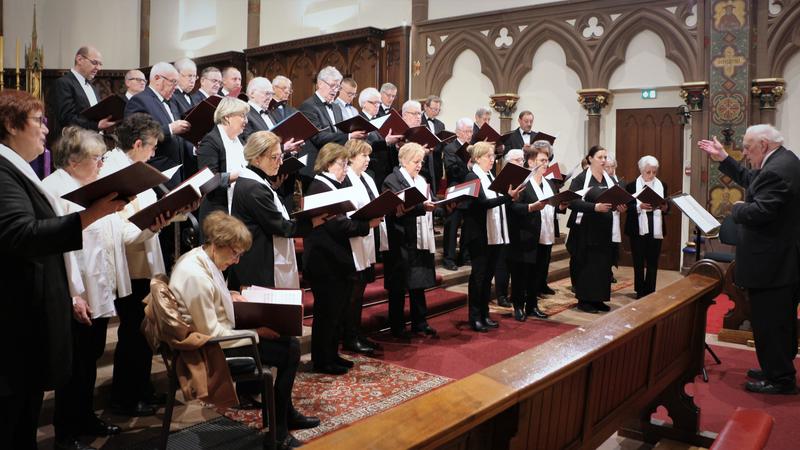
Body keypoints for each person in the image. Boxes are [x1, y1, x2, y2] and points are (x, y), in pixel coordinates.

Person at [0, 89, 125, 450]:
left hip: (27, 312)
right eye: (38, 120)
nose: (45, 128)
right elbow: (21, 234)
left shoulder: (16, 169)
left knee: (23, 417)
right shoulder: (4, 171)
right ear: (11, 125)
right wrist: (92, 214)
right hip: (16, 317)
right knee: (13, 420)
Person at [43, 127, 166, 448]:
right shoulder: (56, 190)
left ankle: (85, 417)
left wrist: (152, 227)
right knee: (74, 366)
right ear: (73, 160)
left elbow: (120, 236)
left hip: (100, 290)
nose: (101, 164)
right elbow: (58, 249)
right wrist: (73, 295)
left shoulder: (92, 188)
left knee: (90, 358)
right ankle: (66, 432)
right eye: (96, 158)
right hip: (77, 294)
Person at [170, 212, 319, 449]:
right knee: (289, 350)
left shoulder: (201, 257)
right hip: (208, 351)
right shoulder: (195, 276)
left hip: (217, 337)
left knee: (288, 342)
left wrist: (230, 295)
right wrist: (257, 333)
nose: (237, 261)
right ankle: (279, 432)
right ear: (218, 244)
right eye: (235, 253)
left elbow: (211, 298)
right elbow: (211, 334)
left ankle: (284, 415)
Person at [699, 125, 800, 395]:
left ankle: (780, 379)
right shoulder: (782, 161)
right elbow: (751, 178)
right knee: (775, 320)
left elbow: (762, 211)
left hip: (773, 264)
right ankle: (775, 368)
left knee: (772, 322)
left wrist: (738, 209)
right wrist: (724, 158)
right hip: (778, 261)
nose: (744, 153)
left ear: (763, 145)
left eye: (747, 147)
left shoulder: (777, 170)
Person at [101, 113, 177, 417]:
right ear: (137, 144)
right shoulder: (115, 173)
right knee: (133, 334)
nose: (154, 153)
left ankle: (142, 389)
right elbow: (122, 232)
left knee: (144, 333)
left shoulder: (134, 168)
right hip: (131, 267)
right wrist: (155, 224)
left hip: (144, 261)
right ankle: (127, 398)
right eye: (152, 147)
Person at [304, 143, 380, 373]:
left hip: (337, 260)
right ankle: (322, 360)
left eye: (347, 163)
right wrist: (366, 225)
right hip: (324, 262)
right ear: (328, 163)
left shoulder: (335, 184)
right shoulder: (319, 187)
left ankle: (332, 355)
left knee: (336, 312)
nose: (346, 168)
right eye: (342, 163)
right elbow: (338, 225)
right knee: (326, 314)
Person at [229, 131, 319, 291]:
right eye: (274, 157)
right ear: (257, 159)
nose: (280, 162)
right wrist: (313, 223)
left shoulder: (255, 181)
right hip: (259, 266)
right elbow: (281, 227)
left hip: (259, 259)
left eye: (280, 156)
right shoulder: (253, 188)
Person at [461, 142, 522, 332]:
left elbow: (497, 202)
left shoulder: (490, 176)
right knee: (478, 277)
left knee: (488, 276)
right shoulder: (472, 176)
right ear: (478, 158)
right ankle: (474, 317)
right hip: (479, 234)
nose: (492, 160)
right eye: (489, 156)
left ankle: (484, 314)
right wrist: (508, 197)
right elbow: (483, 203)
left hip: (494, 232)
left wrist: (510, 197)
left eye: (493, 156)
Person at [382, 143, 439, 338]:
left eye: (421, 161)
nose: (419, 165)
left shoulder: (421, 180)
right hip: (401, 239)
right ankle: (397, 326)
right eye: (416, 161)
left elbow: (430, 201)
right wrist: (422, 207)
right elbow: (394, 208)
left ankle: (420, 322)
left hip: (419, 238)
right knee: (398, 286)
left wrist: (441, 206)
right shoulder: (392, 180)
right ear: (404, 161)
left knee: (418, 282)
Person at [566, 145, 627, 313]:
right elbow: (572, 202)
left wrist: (620, 207)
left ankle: (599, 299)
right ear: (590, 159)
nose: (603, 160)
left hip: (605, 228)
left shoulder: (610, 180)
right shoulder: (580, 179)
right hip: (587, 228)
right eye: (600, 157)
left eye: (605, 157)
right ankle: (585, 300)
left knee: (603, 265)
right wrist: (595, 207)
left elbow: (616, 200)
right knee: (587, 265)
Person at [341, 139, 387, 353]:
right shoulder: (346, 179)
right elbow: (350, 210)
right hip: (353, 241)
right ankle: (349, 336)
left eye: (369, 155)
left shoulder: (367, 177)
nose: (368, 159)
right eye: (363, 155)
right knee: (353, 292)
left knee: (360, 291)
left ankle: (357, 332)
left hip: (367, 239)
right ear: (351, 158)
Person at [507, 146, 562, 321]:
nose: (546, 164)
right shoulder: (522, 183)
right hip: (525, 234)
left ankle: (532, 306)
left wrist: (562, 205)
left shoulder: (549, 183)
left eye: (547, 161)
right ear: (531, 162)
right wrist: (531, 207)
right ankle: (518, 306)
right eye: (542, 161)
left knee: (537, 273)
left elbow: (553, 205)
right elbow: (512, 207)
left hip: (544, 234)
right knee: (521, 274)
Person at [298, 66, 366, 189]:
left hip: (335, 166)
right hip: (315, 165)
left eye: (338, 87)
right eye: (332, 86)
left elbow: (339, 133)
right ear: (320, 84)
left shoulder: (336, 107)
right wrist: (349, 136)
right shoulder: (308, 106)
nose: (335, 90)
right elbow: (318, 137)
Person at [124, 61, 191, 175]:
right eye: (173, 81)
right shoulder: (139, 100)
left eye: (177, 82)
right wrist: (170, 129)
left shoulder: (173, 101)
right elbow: (137, 135)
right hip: (157, 170)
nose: (176, 87)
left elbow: (179, 138)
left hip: (179, 169)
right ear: (157, 78)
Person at [196, 96, 250, 226]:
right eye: (242, 116)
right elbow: (208, 181)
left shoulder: (239, 140)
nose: (246, 120)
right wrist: (239, 175)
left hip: (238, 206)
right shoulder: (210, 141)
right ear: (227, 117)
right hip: (217, 212)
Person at [47, 46, 117, 145]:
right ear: (79, 59)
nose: (98, 68)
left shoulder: (92, 87)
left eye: (100, 64)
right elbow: (67, 118)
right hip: (74, 145)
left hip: (96, 143)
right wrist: (96, 125)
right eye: (94, 62)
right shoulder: (63, 83)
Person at [625, 155, 668, 299]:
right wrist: (639, 206)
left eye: (654, 172)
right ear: (641, 170)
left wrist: (665, 208)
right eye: (648, 172)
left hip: (656, 227)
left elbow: (666, 205)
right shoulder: (631, 186)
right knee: (638, 261)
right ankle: (640, 290)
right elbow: (627, 207)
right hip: (637, 227)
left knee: (653, 261)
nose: (651, 175)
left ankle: (650, 290)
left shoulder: (662, 185)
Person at [441, 118, 473, 270]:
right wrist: (467, 166)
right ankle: (449, 258)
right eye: (466, 131)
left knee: (469, 225)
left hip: (470, 189)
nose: (469, 134)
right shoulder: (450, 148)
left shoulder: (473, 148)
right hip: (456, 188)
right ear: (458, 132)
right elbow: (451, 170)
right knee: (452, 225)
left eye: (471, 131)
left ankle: (464, 256)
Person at [358, 87, 403, 190]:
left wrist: (395, 144)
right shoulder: (360, 121)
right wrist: (386, 142)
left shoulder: (381, 119)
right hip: (372, 169)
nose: (377, 106)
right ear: (364, 104)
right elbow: (364, 146)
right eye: (374, 103)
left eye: (379, 103)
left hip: (386, 169)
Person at [421, 95, 445, 191]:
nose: (435, 112)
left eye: (437, 110)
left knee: (434, 192)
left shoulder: (441, 125)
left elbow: (441, 144)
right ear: (425, 107)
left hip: (436, 165)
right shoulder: (418, 120)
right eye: (433, 109)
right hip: (423, 164)